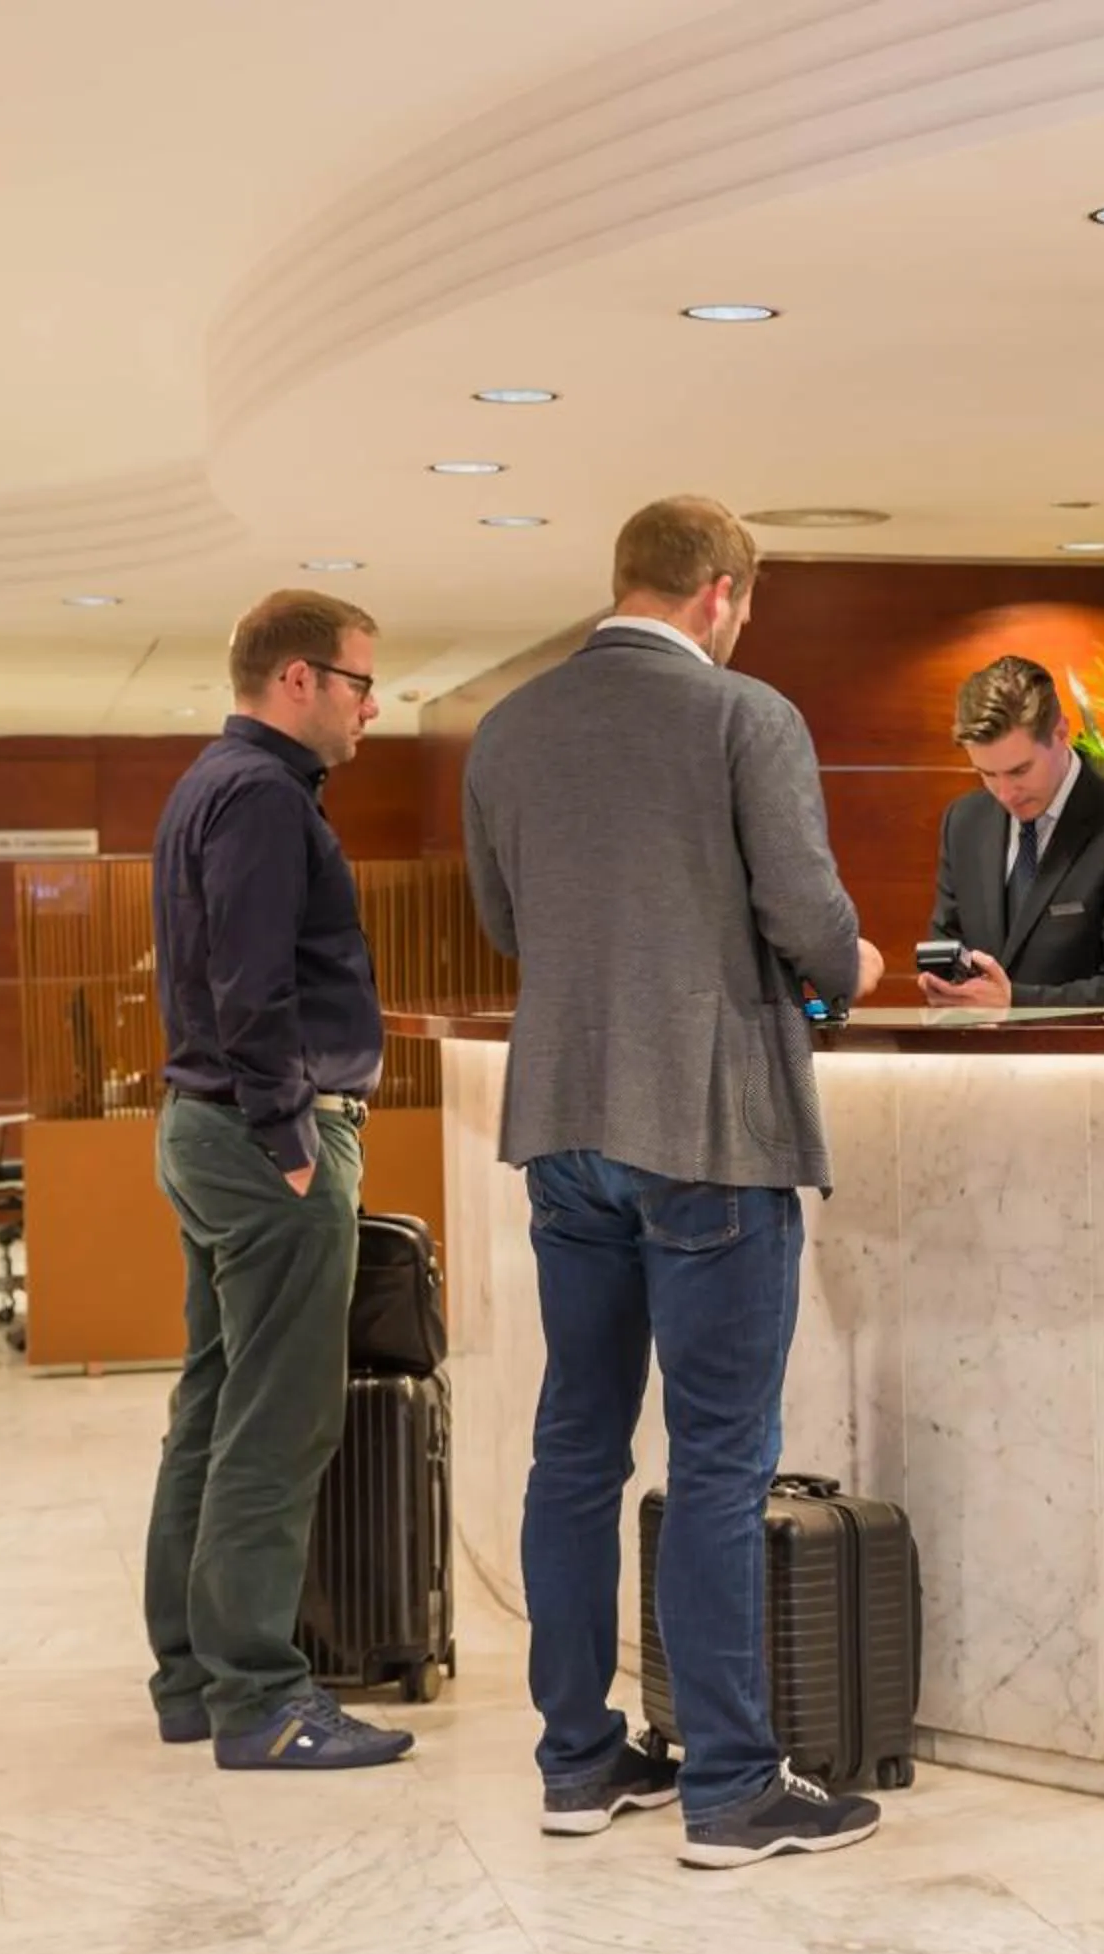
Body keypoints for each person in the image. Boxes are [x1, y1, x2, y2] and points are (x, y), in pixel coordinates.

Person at [462, 495, 884, 1869]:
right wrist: (857, 971)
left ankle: (579, 1762)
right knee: (718, 1459)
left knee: (575, 1445)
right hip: (706, 1124)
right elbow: (808, 920)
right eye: (743, 607)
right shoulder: (742, 715)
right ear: (719, 594)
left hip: (565, 1123)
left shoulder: (512, 727)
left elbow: (508, 918)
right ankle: (731, 1786)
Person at [142, 588, 411, 1771]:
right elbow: (252, 985)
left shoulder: (217, 780)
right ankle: (261, 1697)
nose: (371, 704)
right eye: (360, 681)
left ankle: (193, 1675)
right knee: (276, 1417)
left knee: (212, 1404)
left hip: (210, 1130)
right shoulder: (259, 795)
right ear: (297, 678)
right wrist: (294, 1137)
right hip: (263, 1141)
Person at [920, 654, 1104, 1009]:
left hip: (1083, 1062)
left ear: (1061, 732)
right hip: (980, 1060)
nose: (1005, 793)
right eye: (987, 774)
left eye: (1020, 770)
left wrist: (1015, 1001)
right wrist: (944, 984)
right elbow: (948, 943)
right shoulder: (964, 822)